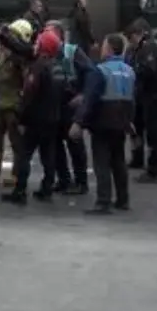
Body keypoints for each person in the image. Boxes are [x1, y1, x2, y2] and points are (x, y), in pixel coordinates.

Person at [71, 33, 135, 215]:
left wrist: (78, 122)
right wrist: (130, 122)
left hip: (102, 121)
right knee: (119, 161)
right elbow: (133, 99)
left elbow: (90, 99)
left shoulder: (100, 70)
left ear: (109, 49)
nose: (101, 48)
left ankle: (103, 201)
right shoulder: (129, 71)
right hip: (121, 121)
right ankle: (123, 200)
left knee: (102, 163)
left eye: (104, 45)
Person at [3, 30, 64, 204]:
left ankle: (20, 190)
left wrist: (21, 118)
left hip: (36, 119)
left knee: (24, 154)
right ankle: (47, 188)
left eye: (38, 42)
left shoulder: (39, 67)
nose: (35, 45)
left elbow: (29, 94)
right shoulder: (58, 66)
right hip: (53, 118)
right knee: (48, 155)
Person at [46, 20, 94, 196]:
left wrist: (83, 94)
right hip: (54, 105)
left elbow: (90, 72)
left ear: (59, 34)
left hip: (71, 103)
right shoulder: (45, 52)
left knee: (75, 143)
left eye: (49, 32)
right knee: (56, 144)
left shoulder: (72, 52)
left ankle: (81, 182)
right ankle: (64, 179)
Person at [124, 19, 157, 184]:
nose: (132, 43)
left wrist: (133, 72)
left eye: (132, 38)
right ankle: (149, 165)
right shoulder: (154, 45)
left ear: (140, 34)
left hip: (156, 97)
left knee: (156, 134)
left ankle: (155, 171)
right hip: (156, 95)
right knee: (152, 132)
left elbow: (149, 71)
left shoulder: (149, 47)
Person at [0, 19, 33, 185]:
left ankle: (17, 178)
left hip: (14, 107)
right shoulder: (2, 55)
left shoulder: (22, 57)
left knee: (18, 145)